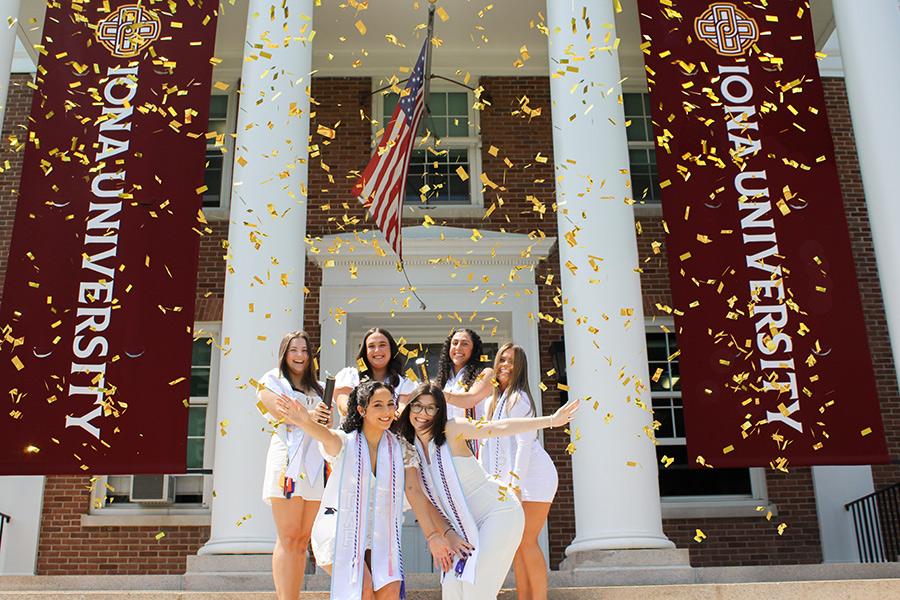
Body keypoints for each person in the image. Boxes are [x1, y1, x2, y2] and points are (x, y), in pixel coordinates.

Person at [275, 379, 460, 600]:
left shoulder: (401, 448)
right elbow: (326, 436)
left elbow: (415, 492)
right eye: (378, 405)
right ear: (362, 409)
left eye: (390, 404)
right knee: (362, 588)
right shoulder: (346, 443)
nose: (387, 411)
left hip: (380, 533)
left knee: (390, 592)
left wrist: (433, 536)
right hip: (340, 529)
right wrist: (305, 421)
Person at [395, 382, 579, 600]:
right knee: (453, 590)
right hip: (461, 526)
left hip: (499, 513)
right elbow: (423, 500)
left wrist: (550, 421)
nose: (422, 414)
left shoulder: (452, 429)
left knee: (477, 591)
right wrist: (447, 534)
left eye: (430, 407)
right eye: (417, 406)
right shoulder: (407, 446)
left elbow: (499, 428)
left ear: (439, 411)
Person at [256, 331, 332, 600]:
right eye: (293, 350)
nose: (299, 356)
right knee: (288, 537)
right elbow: (280, 414)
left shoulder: (321, 389)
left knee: (303, 540)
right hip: (287, 463)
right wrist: (309, 416)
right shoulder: (272, 382)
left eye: (304, 350)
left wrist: (325, 419)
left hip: (315, 466)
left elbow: (327, 428)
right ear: (284, 354)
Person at [482, 343, 559, 600]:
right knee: (515, 545)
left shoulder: (519, 398)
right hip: (509, 481)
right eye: (502, 359)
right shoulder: (493, 403)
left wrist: (515, 482)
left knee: (526, 540)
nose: (505, 365)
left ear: (520, 368)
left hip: (533, 477)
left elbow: (525, 444)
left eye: (512, 361)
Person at [335, 328, 417, 417]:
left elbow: (401, 411)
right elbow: (344, 406)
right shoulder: (351, 376)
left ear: (391, 349)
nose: (377, 350)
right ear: (365, 352)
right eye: (371, 346)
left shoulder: (404, 383)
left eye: (382, 345)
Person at [435, 328, 495, 425]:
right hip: (447, 438)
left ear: (474, 349)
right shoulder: (443, 379)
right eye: (454, 343)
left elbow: (470, 400)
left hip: (476, 437)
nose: (458, 348)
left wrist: (438, 394)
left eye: (465, 344)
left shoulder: (487, 374)